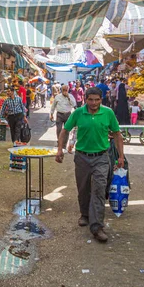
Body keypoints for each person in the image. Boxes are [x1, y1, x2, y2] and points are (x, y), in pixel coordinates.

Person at [55, 87, 124, 243]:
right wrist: (60, 149)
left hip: (101, 157)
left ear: (101, 100)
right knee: (83, 188)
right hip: (82, 157)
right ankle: (84, 214)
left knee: (99, 190)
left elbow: (117, 134)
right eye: (91, 100)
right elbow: (65, 130)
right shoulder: (78, 113)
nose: (94, 103)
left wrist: (120, 156)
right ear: (85, 99)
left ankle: (97, 226)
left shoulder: (108, 113)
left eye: (97, 100)